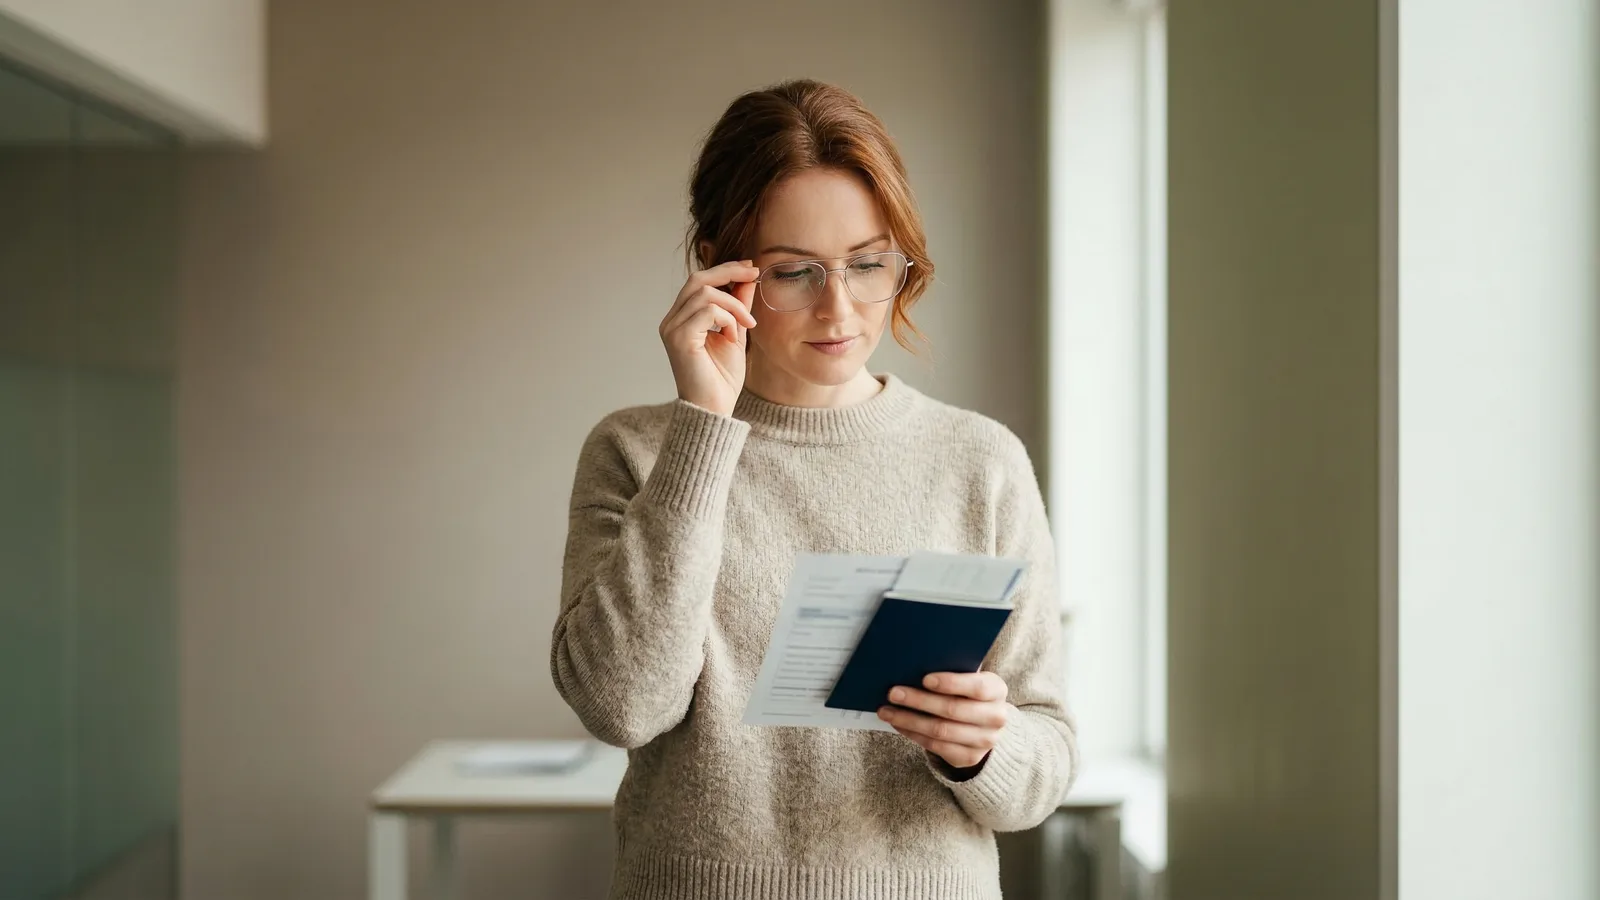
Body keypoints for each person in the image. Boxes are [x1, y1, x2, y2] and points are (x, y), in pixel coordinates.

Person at [550, 78, 1076, 900]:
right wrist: (704, 427)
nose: (840, 309)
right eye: (795, 272)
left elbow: (1045, 759)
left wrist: (981, 748)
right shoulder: (639, 450)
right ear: (721, 269)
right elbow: (623, 705)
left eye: (869, 264)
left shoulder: (980, 460)